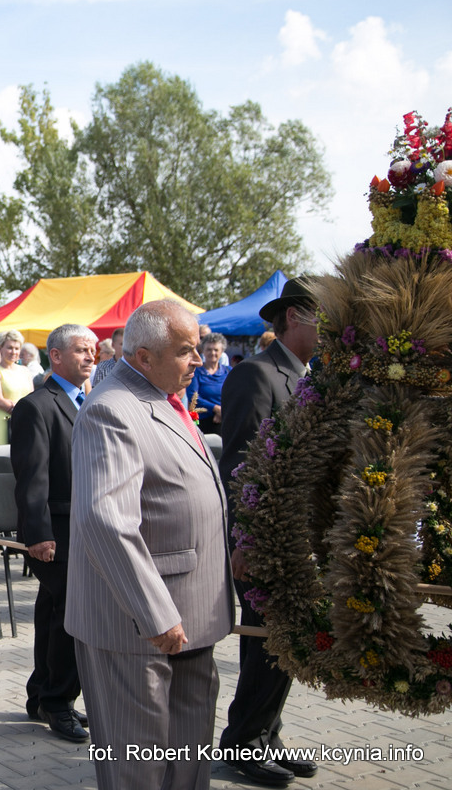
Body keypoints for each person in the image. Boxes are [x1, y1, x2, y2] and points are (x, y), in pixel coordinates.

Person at [66, 299, 234, 790]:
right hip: (139, 628)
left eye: (197, 348)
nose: (198, 360)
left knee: (188, 758)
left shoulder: (163, 396)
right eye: (185, 351)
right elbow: (106, 520)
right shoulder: (111, 410)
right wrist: (155, 613)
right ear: (143, 357)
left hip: (189, 618)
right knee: (138, 766)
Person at [217, 278, 320, 787]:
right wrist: (246, 540)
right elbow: (241, 463)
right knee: (269, 641)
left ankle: (264, 733)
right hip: (264, 538)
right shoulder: (257, 374)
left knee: (286, 642)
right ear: (295, 317)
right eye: (325, 317)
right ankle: (243, 743)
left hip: (297, 536)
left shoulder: (307, 377)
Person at [10, 324, 95, 743]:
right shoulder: (37, 406)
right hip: (56, 531)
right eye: (81, 350)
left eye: (93, 350)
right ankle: (59, 700)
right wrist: (39, 534)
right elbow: (32, 477)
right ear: (56, 356)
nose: (90, 356)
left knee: (52, 612)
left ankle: (41, 693)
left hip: (85, 528)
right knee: (71, 617)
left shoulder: (90, 401)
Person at [0, 330, 33, 456]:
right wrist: (23, 410)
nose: (13, 352)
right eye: (10, 348)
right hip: (1, 424)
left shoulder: (25, 371)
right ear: (0, 348)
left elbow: (32, 397)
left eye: (17, 348)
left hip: (23, 422)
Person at [186, 332, 231, 436]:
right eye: (209, 349)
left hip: (226, 419)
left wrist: (222, 412)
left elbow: (236, 393)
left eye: (216, 350)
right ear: (203, 351)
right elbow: (193, 396)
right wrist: (215, 409)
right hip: (204, 421)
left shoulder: (229, 371)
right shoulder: (196, 372)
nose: (212, 353)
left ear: (222, 352)